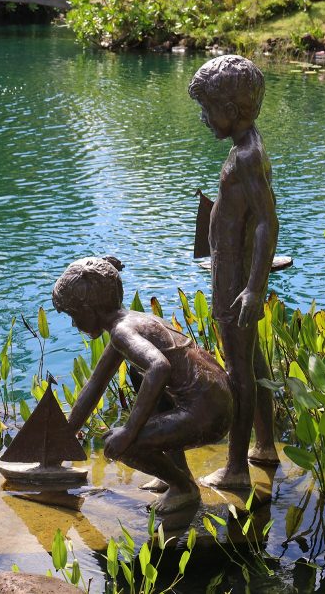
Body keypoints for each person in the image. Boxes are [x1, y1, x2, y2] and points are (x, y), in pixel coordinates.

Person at [56, 257, 233, 514]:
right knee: (142, 380)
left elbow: (159, 367)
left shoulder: (122, 332)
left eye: (74, 315)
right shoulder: (131, 322)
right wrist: (64, 437)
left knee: (120, 444)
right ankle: (175, 473)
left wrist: (129, 431)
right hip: (216, 402)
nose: (74, 324)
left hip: (207, 413)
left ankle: (183, 487)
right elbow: (95, 384)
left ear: (89, 309)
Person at [188, 55, 279, 490]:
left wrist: (253, 289)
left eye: (208, 109)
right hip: (232, 270)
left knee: (239, 371)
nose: (205, 119)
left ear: (231, 108)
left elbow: (266, 221)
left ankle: (237, 468)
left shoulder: (247, 157)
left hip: (235, 280)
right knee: (254, 363)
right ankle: (265, 446)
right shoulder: (245, 149)